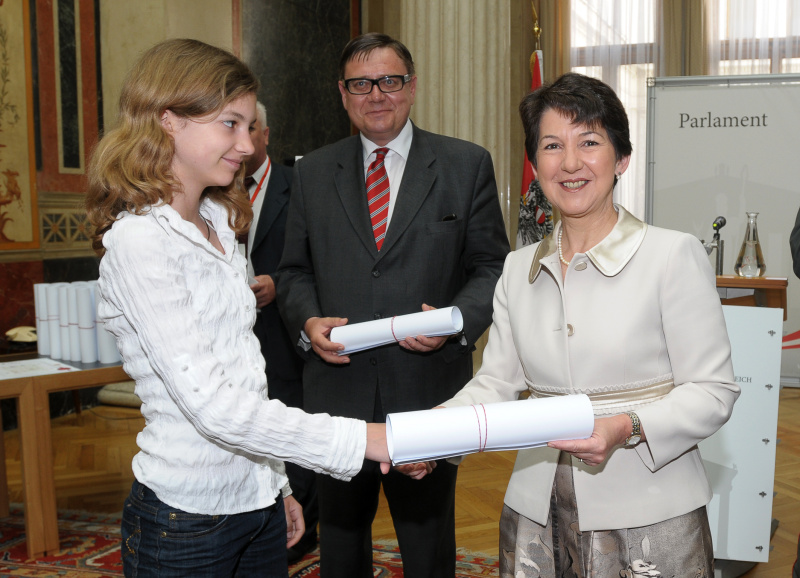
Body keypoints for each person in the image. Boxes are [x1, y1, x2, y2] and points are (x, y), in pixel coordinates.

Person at [85, 38, 390, 577]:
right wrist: (363, 438)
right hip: (186, 519)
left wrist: (275, 488)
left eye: (250, 127)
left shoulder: (222, 225)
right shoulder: (140, 243)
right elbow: (216, 408)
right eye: (231, 124)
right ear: (169, 120)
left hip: (256, 504)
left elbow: (246, 376)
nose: (247, 145)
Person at [438, 72, 740, 577]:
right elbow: (496, 382)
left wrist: (627, 426)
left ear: (621, 158)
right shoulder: (517, 269)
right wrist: (430, 435)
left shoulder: (671, 255)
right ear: (535, 165)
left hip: (650, 511)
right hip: (536, 509)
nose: (571, 163)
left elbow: (714, 390)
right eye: (552, 146)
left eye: (590, 142)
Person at [276, 33, 510, 577]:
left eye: (390, 80)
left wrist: (454, 325)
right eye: (361, 83)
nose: (376, 94)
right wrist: (308, 321)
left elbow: (491, 268)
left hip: (426, 394)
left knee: (428, 552)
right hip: (336, 396)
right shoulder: (311, 172)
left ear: (412, 86)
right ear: (343, 93)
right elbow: (292, 271)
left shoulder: (465, 164)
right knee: (339, 549)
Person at [242, 101, 318, 562]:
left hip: (284, 339)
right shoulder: (208, 189)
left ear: (266, 134)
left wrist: (277, 283)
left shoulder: (300, 185)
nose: (242, 140)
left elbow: (317, 261)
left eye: (249, 127)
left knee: (291, 432)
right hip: (233, 339)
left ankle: (298, 533)